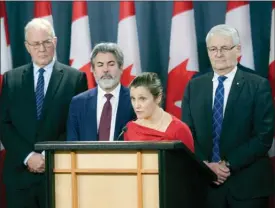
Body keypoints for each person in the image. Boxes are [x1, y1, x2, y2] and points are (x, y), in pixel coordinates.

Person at [181, 24, 274, 208]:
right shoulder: (194, 87)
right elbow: (187, 133)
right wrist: (206, 165)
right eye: (213, 49)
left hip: (247, 187)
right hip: (205, 186)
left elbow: (263, 136)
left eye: (224, 48)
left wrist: (227, 165)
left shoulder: (258, 85)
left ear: (238, 49)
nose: (218, 54)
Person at [0, 18, 87, 208]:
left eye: (46, 42)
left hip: (58, 173)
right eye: (36, 44)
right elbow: (4, 124)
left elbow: (76, 125)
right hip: (19, 176)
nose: (42, 48)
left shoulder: (75, 78)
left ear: (54, 42)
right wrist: (28, 156)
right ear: (27, 46)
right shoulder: (11, 79)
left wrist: (48, 156)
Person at [67, 42, 135, 141]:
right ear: (93, 71)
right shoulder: (78, 103)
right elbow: (72, 143)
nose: (105, 69)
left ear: (121, 68)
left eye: (111, 64)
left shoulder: (134, 99)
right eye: (100, 65)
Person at [124, 72, 194, 152]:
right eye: (133, 99)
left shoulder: (179, 129)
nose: (136, 105)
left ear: (158, 98)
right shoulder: (129, 129)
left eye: (142, 99)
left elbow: (189, 164)